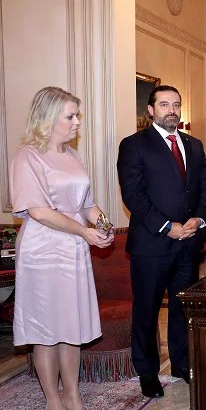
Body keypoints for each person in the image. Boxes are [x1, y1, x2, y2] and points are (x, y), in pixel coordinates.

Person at [9, 87, 114, 410]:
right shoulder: (27, 156)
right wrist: (84, 231)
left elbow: (87, 203)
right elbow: (38, 211)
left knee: (71, 324)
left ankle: (73, 394)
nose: (77, 122)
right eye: (70, 116)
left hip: (74, 247)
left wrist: (103, 225)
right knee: (46, 328)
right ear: (49, 118)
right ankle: (53, 399)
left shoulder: (72, 156)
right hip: (43, 249)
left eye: (77, 115)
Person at [117, 85, 206, 398]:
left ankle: (182, 364)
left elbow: (203, 189)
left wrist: (198, 219)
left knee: (182, 310)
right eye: (164, 104)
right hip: (151, 246)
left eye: (176, 104)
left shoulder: (194, 145)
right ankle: (147, 371)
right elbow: (134, 195)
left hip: (188, 245)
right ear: (151, 110)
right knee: (146, 310)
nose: (172, 110)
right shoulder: (133, 145)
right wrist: (165, 226)